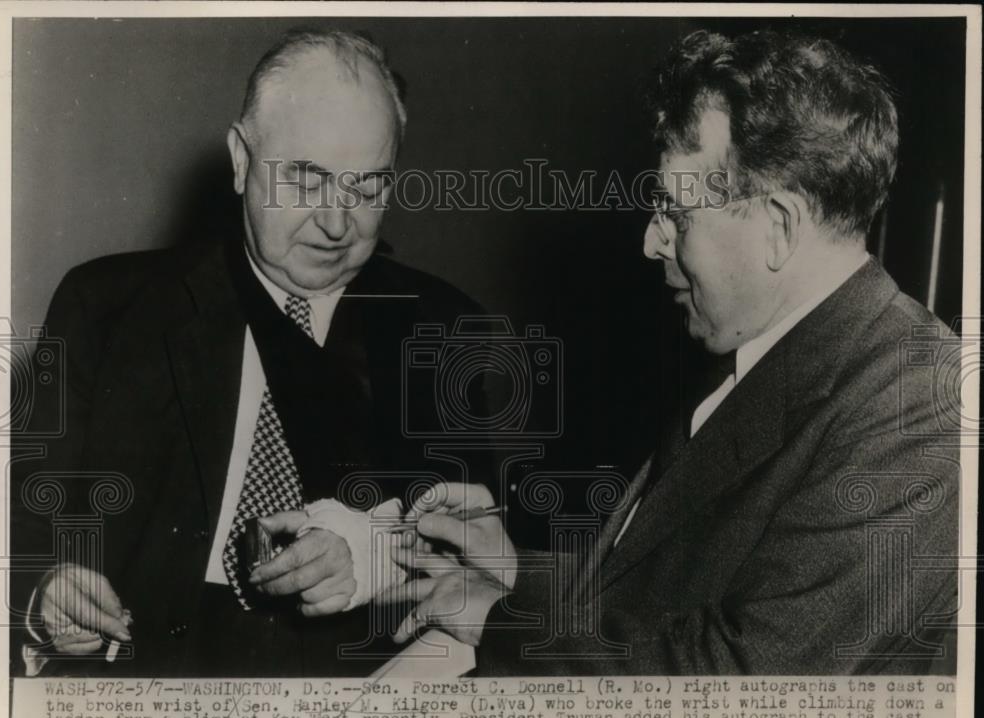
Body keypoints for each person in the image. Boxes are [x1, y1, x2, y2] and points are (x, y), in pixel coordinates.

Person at [383, 29, 961, 675]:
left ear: (780, 226)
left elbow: (741, 682)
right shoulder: (766, 344)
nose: (652, 244)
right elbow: (673, 579)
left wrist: (492, 615)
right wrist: (513, 565)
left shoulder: (923, 403)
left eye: (675, 213)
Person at [11, 29, 489, 677]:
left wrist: (373, 551)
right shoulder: (107, 306)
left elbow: (484, 549)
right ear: (241, 159)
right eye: (306, 179)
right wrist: (46, 598)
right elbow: (20, 526)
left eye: (368, 187)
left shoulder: (447, 327)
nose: (336, 222)